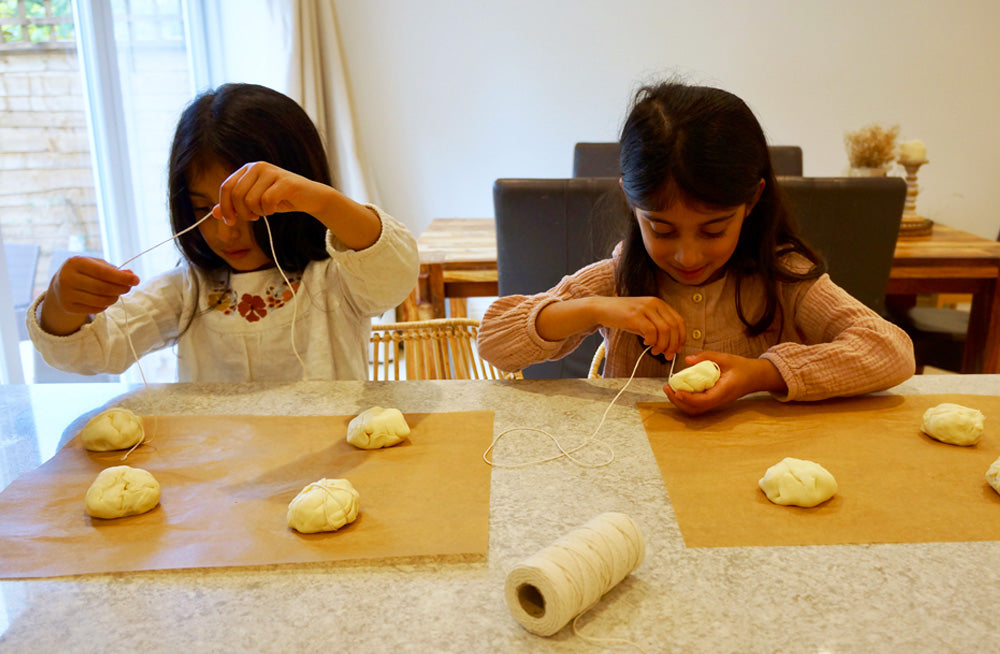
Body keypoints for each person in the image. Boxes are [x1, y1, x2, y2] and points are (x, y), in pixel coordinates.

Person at [477, 81, 915, 415]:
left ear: (752, 201)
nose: (688, 256)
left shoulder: (783, 276)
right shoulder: (617, 280)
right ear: (633, 204)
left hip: (753, 467)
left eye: (712, 230)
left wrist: (764, 374)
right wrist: (595, 309)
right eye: (663, 230)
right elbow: (494, 341)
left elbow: (891, 350)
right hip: (635, 471)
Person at [28, 83, 419, 382]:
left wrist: (324, 202)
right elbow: (90, 352)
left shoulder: (334, 281)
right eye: (203, 210)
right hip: (216, 485)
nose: (227, 233)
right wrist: (62, 303)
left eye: (251, 209)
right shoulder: (187, 292)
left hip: (329, 482)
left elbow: (395, 275)